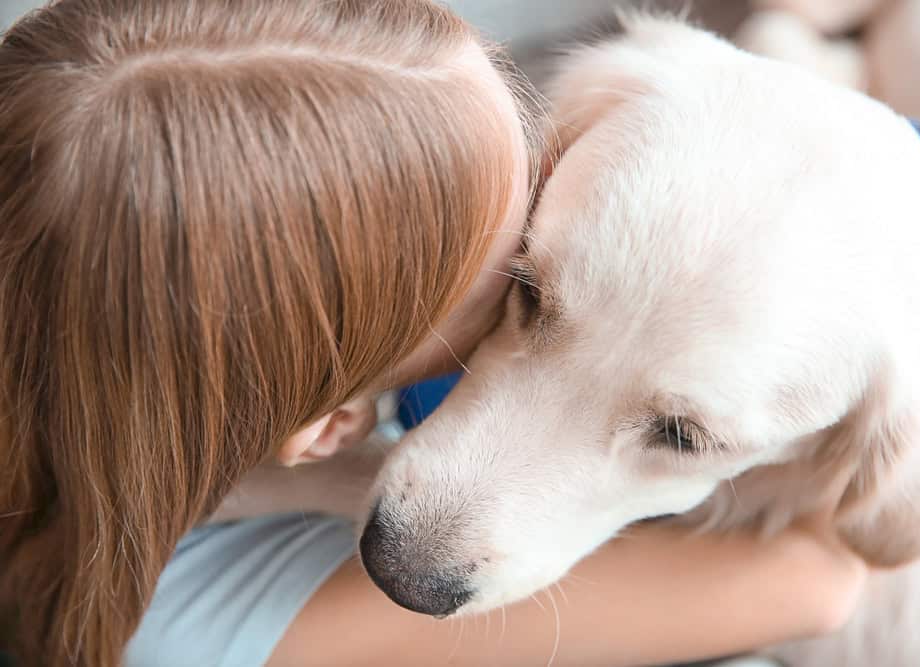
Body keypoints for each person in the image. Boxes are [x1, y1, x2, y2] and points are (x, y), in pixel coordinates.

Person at [0, 1, 867, 665]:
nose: (548, 191)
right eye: (522, 288)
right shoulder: (169, 620)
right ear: (329, 419)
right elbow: (821, 579)